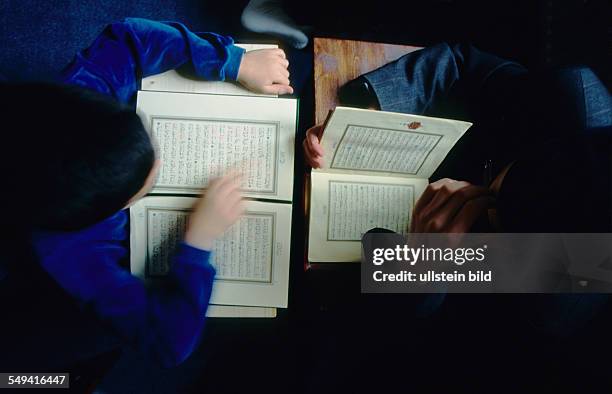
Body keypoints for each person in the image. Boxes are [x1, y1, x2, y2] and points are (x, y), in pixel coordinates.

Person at [0, 17, 293, 371]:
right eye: (142, 187)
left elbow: (130, 37)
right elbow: (169, 342)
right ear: (97, 212)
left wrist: (233, 62)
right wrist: (197, 244)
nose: (160, 166)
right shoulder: (70, 254)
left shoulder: (82, 99)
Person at [303, 42, 611, 233]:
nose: (468, 190)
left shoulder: (571, 285)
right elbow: (460, 67)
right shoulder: (569, 98)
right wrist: (367, 112)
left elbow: (447, 331)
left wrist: (424, 272)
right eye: (501, 177)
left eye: (493, 208)